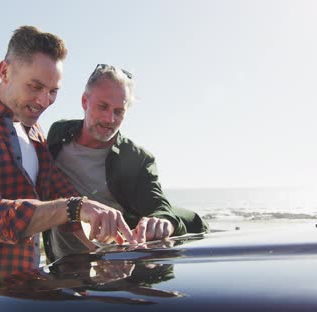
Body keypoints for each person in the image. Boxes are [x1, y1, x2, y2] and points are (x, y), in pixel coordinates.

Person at [0, 26, 137, 312]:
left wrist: (110, 242)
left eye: (53, 91)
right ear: (5, 71)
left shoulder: (33, 131)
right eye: (35, 87)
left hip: (17, 285)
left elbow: (61, 195)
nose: (44, 101)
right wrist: (73, 207)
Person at [44, 64, 208, 262]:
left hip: (114, 267)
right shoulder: (58, 134)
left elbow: (160, 206)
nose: (109, 119)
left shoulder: (137, 159)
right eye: (102, 106)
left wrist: (164, 222)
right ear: (84, 101)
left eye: (119, 111)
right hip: (60, 268)